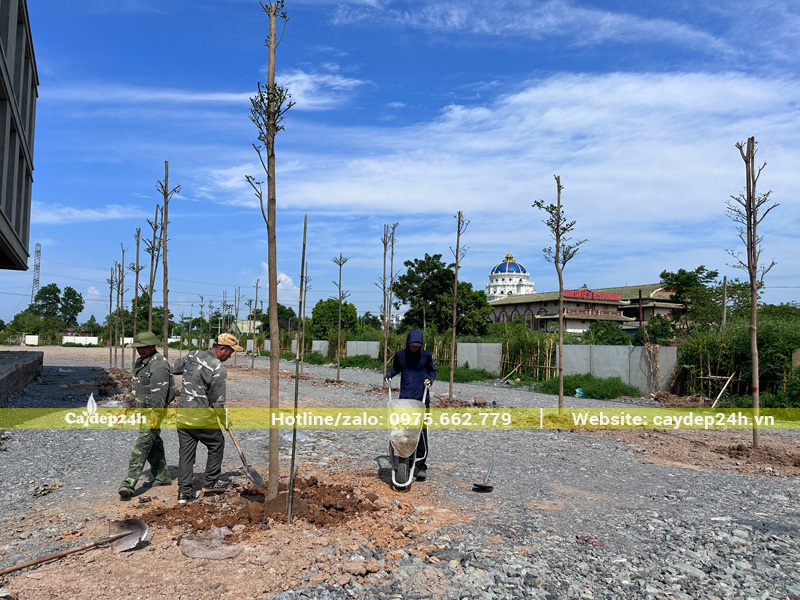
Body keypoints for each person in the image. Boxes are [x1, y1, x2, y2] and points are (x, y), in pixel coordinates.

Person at [171, 333, 243, 504]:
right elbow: (217, 401)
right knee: (216, 443)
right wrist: (224, 420)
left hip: (183, 415)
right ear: (222, 348)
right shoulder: (218, 368)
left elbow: (174, 368)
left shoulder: (193, 355)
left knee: (186, 453)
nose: (230, 356)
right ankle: (210, 482)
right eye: (230, 352)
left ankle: (184, 493)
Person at [118, 331, 174, 500]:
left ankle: (128, 484)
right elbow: (133, 386)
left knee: (142, 443)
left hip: (154, 411)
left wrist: (157, 413)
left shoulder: (159, 365)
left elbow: (160, 393)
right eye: (138, 348)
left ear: (152, 346)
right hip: (143, 410)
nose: (140, 351)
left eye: (143, 347)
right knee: (153, 442)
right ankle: (162, 477)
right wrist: (126, 407)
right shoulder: (141, 363)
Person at [384, 329, 437, 480]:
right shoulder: (400, 355)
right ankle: (404, 461)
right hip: (405, 399)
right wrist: (389, 375)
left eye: (417, 346)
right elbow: (396, 368)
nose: (414, 348)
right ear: (408, 343)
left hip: (421, 399)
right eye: (412, 345)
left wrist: (430, 380)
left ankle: (421, 466)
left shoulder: (425, 356)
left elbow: (432, 370)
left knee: (420, 431)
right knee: (403, 430)